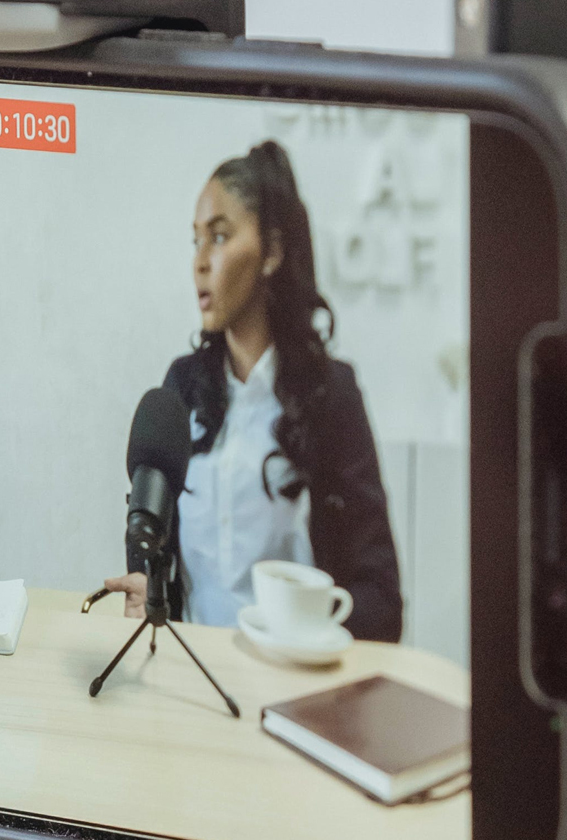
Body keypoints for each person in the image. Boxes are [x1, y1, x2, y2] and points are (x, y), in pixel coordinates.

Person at [102, 141, 403, 642]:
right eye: (195, 241)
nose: (200, 262)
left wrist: (310, 635)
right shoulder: (181, 387)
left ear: (272, 252)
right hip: (193, 679)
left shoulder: (331, 396)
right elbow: (154, 558)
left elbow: (381, 601)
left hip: (295, 686)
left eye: (218, 237)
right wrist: (150, 593)